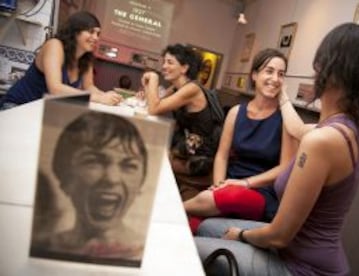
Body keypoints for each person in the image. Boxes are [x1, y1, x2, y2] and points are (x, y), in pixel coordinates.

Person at [195, 22, 359, 275]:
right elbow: (299, 129)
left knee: (192, 246)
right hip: (304, 253)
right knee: (207, 227)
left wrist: (242, 234)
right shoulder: (354, 129)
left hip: (302, 266)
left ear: (325, 71)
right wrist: (282, 95)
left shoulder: (322, 140)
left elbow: (278, 236)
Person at [184, 49, 297, 233]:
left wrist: (246, 183)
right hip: (229, 183)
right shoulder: (236, 112)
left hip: (261, 192)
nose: (275, 79)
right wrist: (218, 185)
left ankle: (175, 208)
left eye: (281, 74)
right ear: (254, 75)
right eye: (269, 71)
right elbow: (221, 155)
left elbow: (285, 167)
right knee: (192, 228)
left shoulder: (285, 119)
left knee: (232, 196)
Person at [30, 111, 148, 263]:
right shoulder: (44, 247)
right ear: (65, 179)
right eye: (94, 162)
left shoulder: (147, 251)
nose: (112, 179)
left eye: (129, 165)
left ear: (140, 183)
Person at [140, 43, 222, 197]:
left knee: (150, 162)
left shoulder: (192, 89)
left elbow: (154, 109)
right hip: (185, 149)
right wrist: (146, 88)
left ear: (184, 68)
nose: (164, 66)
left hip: (201, 157)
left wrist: (154, 78)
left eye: (170, 62)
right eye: (163, 62)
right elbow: (155, 106)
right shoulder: (177, 88)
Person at [0, 11, 122, 110]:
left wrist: (107, 96)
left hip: (41, 112)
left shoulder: (86, 57)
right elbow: (55, 88)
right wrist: (98, 98)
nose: (96, 38)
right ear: (75, 31)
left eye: (98, 33)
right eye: (91, 32)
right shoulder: (55, 45)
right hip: (17, 106)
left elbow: (89, 87)